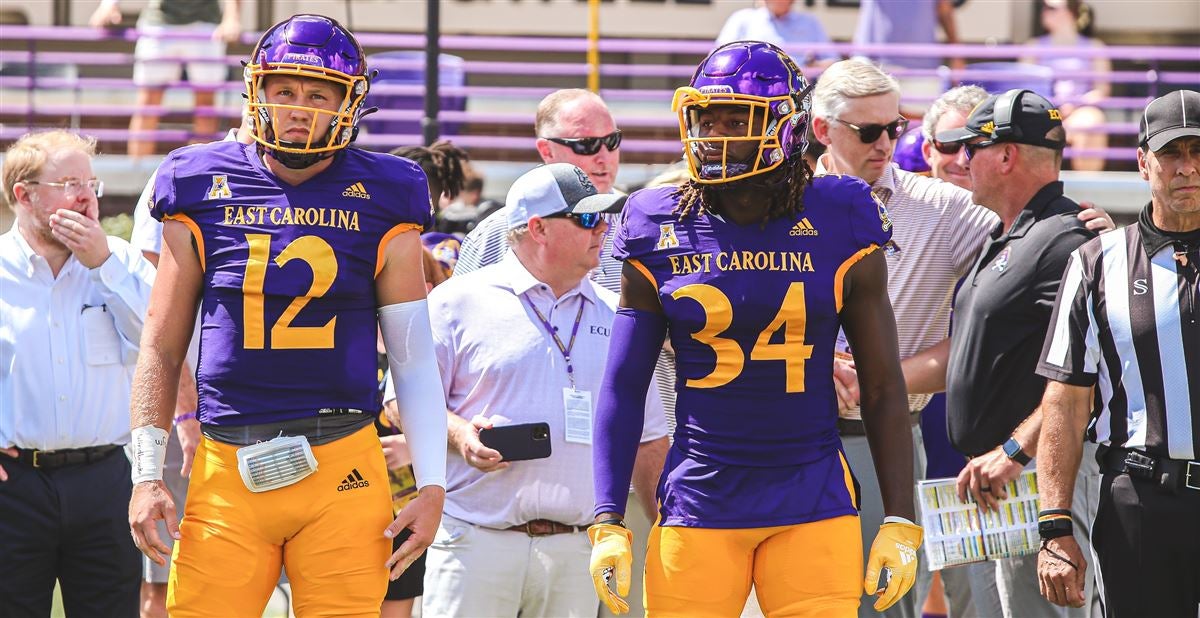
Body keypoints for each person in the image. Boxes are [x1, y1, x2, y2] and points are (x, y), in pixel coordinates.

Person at [125, 15, 448, 616]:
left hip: (343, 463)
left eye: (318, 95)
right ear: (259, 92)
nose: (299, 109)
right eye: (285, 91)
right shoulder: (197, 178)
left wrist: (433, 485)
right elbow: (161, 346)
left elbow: (410, 354)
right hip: (226, 460)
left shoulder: (388, 189)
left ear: (348, 104)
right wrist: (147, 473)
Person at [590, 41, 922, 617]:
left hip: (813, 495)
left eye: (736, 118)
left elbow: (883, 383)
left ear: (788, 126)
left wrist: (899, 517)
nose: (715, 134)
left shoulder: (841, 212)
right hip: (700, 497)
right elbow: (622, 384)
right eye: (705, 117)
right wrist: (607, 517)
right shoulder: (654, 218)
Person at [810, 61, 1114, 618]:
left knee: (887, 600)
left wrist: (1096, 236)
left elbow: (1040, 248)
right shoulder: (781, 205)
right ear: (823, 131)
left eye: (893, 128)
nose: (885, 143)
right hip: (786, 435)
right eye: (868, 131)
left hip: (892, 439)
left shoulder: (947, 208)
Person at [453, 88, 671, 617]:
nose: (603, 155)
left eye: (612, 141)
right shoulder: (490, 238)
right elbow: (458, 349)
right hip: (504, 498)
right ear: (546, 151)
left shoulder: (646, 224)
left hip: (646, 465)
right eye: (586, 143)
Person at [1035, 89, 1200, 618]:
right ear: (1143, 161)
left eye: (1199, 151)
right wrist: (1055, 524)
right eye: (1172, 153)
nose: (1188, 168)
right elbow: (1065, 400)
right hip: (1142, 499)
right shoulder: (1095, 263)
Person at [934, 89, 1098, 618]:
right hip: (994, 480)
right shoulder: (1004, 234)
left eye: (972, 148)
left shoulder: (1064, 238)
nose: (962, 162)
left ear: (1005, 155)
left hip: (1038, 475)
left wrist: (1015, 451)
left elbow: (1090, 371)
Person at [0, 129, 155, 616]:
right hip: (14, 486)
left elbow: (161, 346)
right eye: (68, 182)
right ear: (23, 195)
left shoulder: (122, 262)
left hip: (107, 479)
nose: (86, 195)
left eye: (90, 183)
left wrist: (103, 266)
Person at [89, 0, 242, 158]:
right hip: (158, 21)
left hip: (206, 23)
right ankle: (137, 173)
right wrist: (108, 5)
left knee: (206, 107)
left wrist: (232, 17)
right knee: (147, 104)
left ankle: (200, 172)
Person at [1024, 0, 1110, 172]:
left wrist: (1074, 105)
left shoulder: (1095, 47)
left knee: (1092, 122)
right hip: (1042, 112)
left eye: (1051, 8)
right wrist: (1050, 106)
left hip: (1079, 111)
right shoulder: (1033, 46)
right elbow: (1024, 87)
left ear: (1070, 12)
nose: (1044, 11)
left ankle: (1088, 189)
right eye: (1044, 7)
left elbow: (1102, 91)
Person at [853, 0, 963, 113]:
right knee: (868, 122)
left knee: (917, 124)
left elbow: (944, 8)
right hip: (872, 61)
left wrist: (956, 54)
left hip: (920, 63)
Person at [715, 0, 839, 68]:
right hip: (750, 89)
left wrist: (813, 66)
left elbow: (833, 61)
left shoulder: (810, 22)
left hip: (798, 93)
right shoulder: (742, 18)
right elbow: (718, 56)